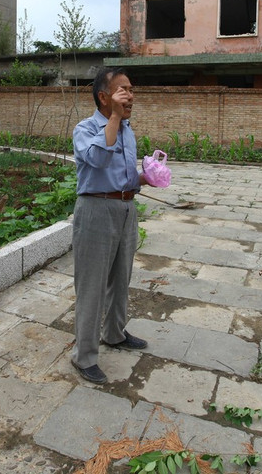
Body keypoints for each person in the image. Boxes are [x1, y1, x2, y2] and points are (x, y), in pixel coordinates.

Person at [71, 67, 153, 384]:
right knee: (92, 287)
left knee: (121, 279)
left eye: (131, 90)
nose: (130, 96)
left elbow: (123, 173)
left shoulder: (128, 131)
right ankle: (84, 356)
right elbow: (99, 160)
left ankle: (115, 333)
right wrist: (115, 120)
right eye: (123, 90)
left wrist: (146, 176)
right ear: (104, 97)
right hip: (95, 209)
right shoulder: (84, 129)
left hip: (125, 208)